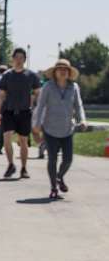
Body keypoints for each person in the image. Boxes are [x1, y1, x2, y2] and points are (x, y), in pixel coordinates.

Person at [32, 58, 87, 200]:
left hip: (67, 129)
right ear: (55, 72)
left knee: (68, 159)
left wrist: (82, 120)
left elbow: (78, 105)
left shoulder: (74, 87)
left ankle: (59, 176)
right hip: (50, 129)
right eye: (60, 69)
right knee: (52, 159)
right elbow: (40, 106)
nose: (63, 72)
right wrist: (37, 124)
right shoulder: (48, 87)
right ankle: (53, 188)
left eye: (65, 70)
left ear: (69, 73)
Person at [0, 48, 41, 179]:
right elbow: (1, 95)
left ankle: (24, 168)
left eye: (21, 58)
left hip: (25, 112)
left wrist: (37, 108)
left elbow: (38, 93)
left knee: (23, 141)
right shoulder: (7, 75)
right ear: (13, 59)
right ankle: (11, 165)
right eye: (17, 57)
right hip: (8, 111)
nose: (19, 60)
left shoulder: (31, 75)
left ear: (25, 60)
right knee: (6, 138)